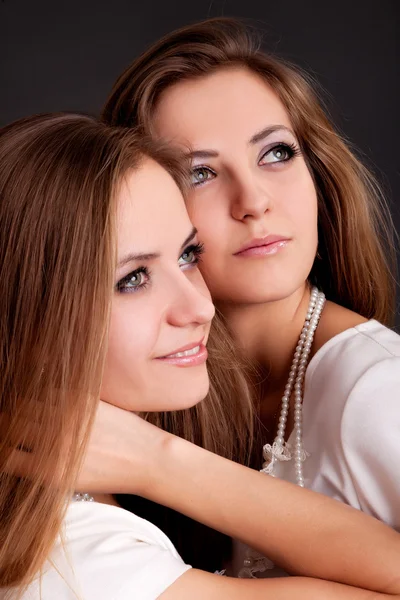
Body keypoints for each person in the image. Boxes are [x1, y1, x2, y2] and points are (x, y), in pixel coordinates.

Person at [1, 113, 400, 599]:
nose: (201, 307)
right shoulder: (83, 563)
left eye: (188, 256)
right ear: (27, 319)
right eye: (132, 280)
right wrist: (160, 463)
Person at [101, 16, 400, 576]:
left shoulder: (379, 391)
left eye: (276, 153)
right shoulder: (157, 388)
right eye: (201, 173)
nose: (253, 200)